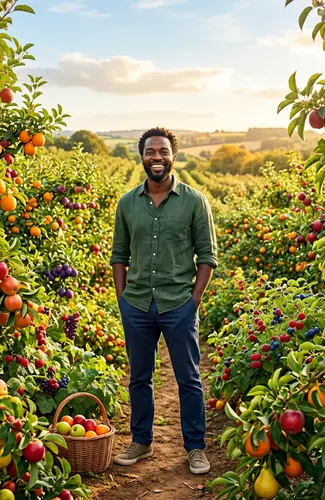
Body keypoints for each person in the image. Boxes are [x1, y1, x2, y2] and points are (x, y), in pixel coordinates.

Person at [110, 127, 218, 475]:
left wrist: (194, 301)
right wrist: (122, 298)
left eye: (163, 151)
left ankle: (195, 447)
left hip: (178, 304)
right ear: (141, 156)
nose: (156, 157)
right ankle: (141, 442)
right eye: (150, 151)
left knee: (188, 378)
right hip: (137, 304)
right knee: (139, 377)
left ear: (174, 155)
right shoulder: (127, 203)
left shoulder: (194, 200)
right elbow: (119, 255)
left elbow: (207, 257)